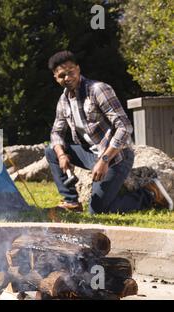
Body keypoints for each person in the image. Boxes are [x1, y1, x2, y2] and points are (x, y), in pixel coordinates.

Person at [45, 50, 172, 214]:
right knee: (51, 150)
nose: (67, 78)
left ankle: (150, 193)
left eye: (71, 72)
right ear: (56, 78)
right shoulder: (63, 101)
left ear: (78, 68)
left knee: (97, 211)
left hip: (116, 156)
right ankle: (71, 201)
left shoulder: (98, 90)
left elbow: (124, 127)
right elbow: (56, 132)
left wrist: (104, 160)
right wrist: (62, 155)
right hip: (91, 154)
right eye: (62, 75)